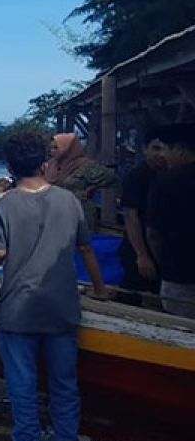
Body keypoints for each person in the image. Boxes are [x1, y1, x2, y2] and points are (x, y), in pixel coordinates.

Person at [0, 132, 109, 441]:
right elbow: (85, 249)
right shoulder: (69, 201)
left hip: (17, 309)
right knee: (64, 385)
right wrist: (99, 289)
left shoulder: (3, 205)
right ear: (45, 163)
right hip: (61, 306)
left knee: (22, 386)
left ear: (9, 167)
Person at [147, 123, 195, 318]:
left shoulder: (166, 181)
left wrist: (161, 263)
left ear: (181, 150)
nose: (162, 156)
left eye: (166, 149)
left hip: (178, 274)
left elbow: (153, 234)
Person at [118, 128, 167, 303]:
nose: (161, 154)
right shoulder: (137, 176)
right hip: (138, 247)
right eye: (155, 148)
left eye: (164, 149)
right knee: (134, 294)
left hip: (159, 248)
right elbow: (131, 216)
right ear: (145, 149)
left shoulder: (168, 175)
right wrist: (142, 255)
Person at [42, 133, 117, 229]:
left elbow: (111, 178)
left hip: (79, 213)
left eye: (56, 148)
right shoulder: (50, 165)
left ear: (68, 148)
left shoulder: (86, 166)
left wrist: (90, 189)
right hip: (54, 214)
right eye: (51, 148)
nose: (52, 152)